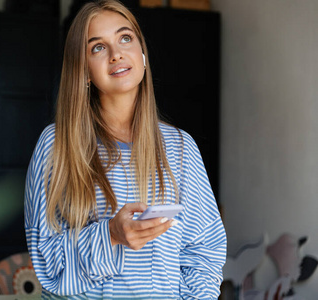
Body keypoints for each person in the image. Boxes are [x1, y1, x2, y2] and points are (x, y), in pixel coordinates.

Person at [24, 0, 227, 298]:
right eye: (98, 47)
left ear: (142, 53)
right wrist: (111, 235)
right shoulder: (56, 145)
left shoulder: (180, 147)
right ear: (84, 71)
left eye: (125, 38)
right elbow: (46, 263)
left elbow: (205, 255)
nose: (116, 53)